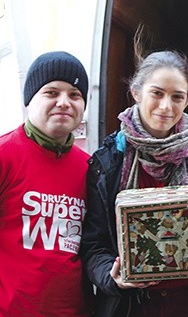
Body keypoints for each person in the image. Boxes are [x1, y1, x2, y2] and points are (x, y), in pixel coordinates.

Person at [80, 44, 188, 316]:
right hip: (132, 307)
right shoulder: (106, 163)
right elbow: (94, 245)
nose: (166, 106)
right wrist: (114, 277)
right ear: (136, 93)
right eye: (157, 93)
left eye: (177, 97)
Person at [0, 51, 92, 315]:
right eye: (51, 92)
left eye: (74, 95)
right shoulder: (5, 155)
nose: (64, 102)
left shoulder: (90, 168)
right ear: (30, 100)